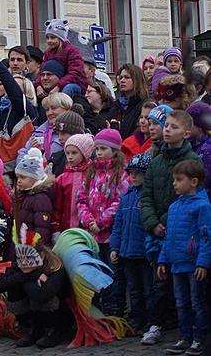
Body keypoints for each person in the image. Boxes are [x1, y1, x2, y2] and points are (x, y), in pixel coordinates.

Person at [140, 109, 200, 346]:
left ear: (186, 133)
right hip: (157, 232)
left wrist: (166, 220)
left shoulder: (192, 162)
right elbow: (146, 197)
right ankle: (155, 324)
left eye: (173, 127)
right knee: (159, 282)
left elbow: (187, 197)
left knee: (186, 288)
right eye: (166, 125)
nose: (167, 129)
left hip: (181, 232)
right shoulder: (156, 162)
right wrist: (153, 222)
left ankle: (191, 332)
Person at [157, 159, 210, 356]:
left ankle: (199, 339)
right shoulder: (174, 207)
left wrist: (203, 262)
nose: (174, 184)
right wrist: (163, 259)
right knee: (181, 303)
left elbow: (206, 237)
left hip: (194, 264)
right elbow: (169, 236)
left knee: (197, 303)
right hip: (177, 264)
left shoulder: (202, 206)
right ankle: (184, 337)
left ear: (194, 182)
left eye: (179, 180)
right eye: (174, 180)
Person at [77, 128, 127, 313]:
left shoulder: (119, 174)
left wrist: (101, 222)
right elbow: (81, 198)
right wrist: (88, 220)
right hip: (92, 233)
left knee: (112, 271)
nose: (99, 152)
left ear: (114, 151)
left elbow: (119, 201)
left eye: (103, 149)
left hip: (110, 233)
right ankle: (100, 305)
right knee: (95, 269)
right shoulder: (92, 172)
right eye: (97, 148)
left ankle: (115, 307)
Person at [0, 236, 70, 348]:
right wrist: (31, 275)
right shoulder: (21, 265)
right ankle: (34, 329)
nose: (24, 262)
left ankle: (54, 331)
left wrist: (26, 278)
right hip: (34, 304)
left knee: (41, 294)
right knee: (13, 289)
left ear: (41, 256)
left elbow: (42, 295)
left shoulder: (55, 268)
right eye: (20, 258)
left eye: (28, 257)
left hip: (59, 312)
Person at [109, 151, 153, 334]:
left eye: (138, 173)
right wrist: (115, 247)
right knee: (133, 290)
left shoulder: (149, 196)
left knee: (148, 289)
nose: (133, 176)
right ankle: (137, 319)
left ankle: (151, 321)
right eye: (131, 173)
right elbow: (118, 225)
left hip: (144, 252)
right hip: (127, 252)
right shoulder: (126, 197)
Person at [53, 134, 93, 236]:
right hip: (66, 229)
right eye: (67, 153)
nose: (70, 156)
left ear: (84, 154)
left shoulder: (93, 175)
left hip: (88, 229)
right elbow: (57, 206)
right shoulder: (62, 178)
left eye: (74, 153)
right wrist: (55, 229)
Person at [40, 19, 88, 96]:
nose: (49, 41)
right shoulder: (47, 53)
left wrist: (59, 86)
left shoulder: (72, 51)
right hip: (57, 83)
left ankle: (64, 106)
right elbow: (41, 71)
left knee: (68, 89)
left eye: (53, 37)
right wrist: (38, 85)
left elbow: (75, 73)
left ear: (60, 38)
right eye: (47, 38)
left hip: (76, 83)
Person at [15, 148, 54, 241]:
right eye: (18, 177)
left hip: (31, 247)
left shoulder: (40, 199)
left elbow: (42, 227)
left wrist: (38, 246)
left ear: (34, 178)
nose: (19, 181)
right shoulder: (23, 195)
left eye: (23, 177)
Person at [185, 101, 211, 192]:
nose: (184, 126)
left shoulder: (207, 151)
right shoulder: (188, 144)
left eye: (189, 123)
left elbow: (203, 182)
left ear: (200, 127)